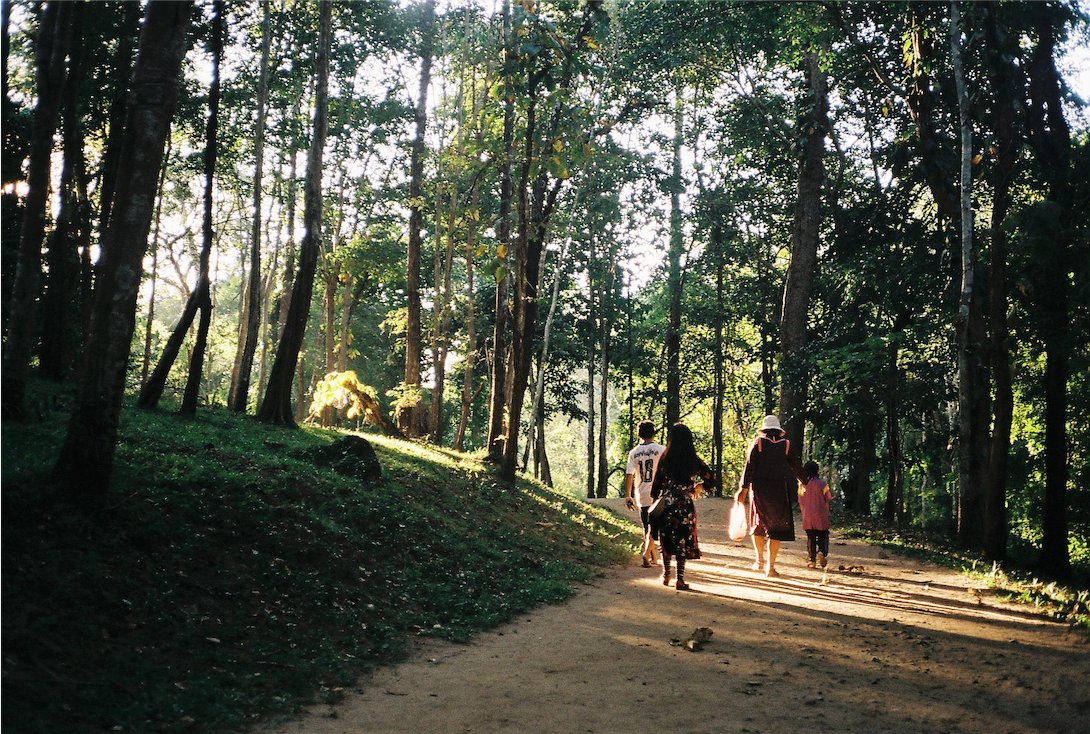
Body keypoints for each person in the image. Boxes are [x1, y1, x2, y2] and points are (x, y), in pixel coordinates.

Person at [650, 423, 716, 591]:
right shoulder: (693, 459)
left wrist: (656, 499)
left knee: (667, 538)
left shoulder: (665, 457)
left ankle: (666, 575)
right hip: (685, 505)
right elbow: (711, 480)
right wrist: (699, 487)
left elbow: (656, 485)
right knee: (682, 540)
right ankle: (680, 579)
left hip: (667, 504)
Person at [735, 415, 802, 578]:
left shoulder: (758, 443)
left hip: (759, 489)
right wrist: (804, 482)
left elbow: (749, 467)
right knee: (777, 527)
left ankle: (759, 561)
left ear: (764, 429)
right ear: (778, 431)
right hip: (779, 489)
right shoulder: (786, 445)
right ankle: (770, 568)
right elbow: (796, 466)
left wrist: (742, 489)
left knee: (758, 524)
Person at [624, 420, 666, 568]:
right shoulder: (662, 450)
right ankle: (647, 554)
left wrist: (628, 495)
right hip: (659, 493)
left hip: (641, 493)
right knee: (658, 526)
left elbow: (629, 474)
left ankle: (653, 557)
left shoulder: (634, 452)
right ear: (653, 433)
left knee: (647, 526)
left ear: (639, 434)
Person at [798, 460, 832, 569]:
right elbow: (827, 499)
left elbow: (800, 501)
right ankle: (822, 551)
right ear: (817, 471)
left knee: (811, 538)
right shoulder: (823, 484)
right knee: (823, 535)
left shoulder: (802, 485)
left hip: (808, 516)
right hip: (821, 515)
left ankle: (812, 560)